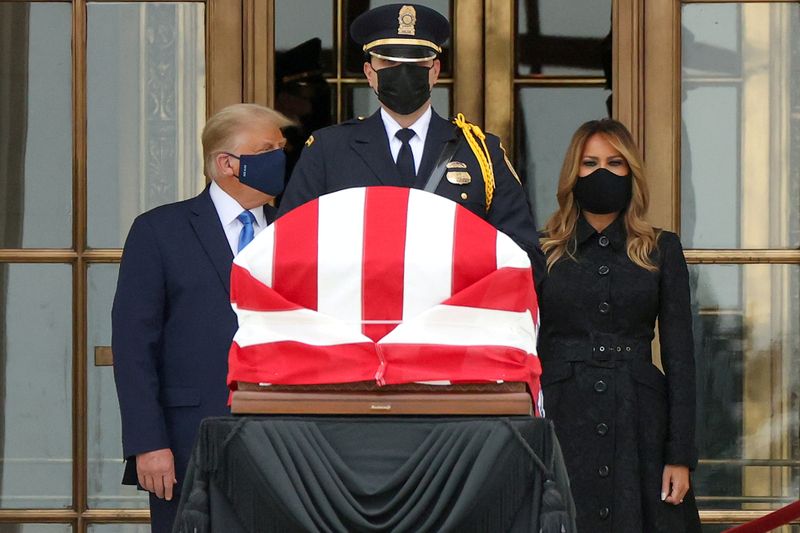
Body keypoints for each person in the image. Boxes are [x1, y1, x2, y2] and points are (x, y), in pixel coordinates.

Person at [112, 103, 291, 532]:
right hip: (187, 438)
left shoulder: (296, 230)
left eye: (281, 149)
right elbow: (134, 346)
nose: (280, 160)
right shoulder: (159, 231)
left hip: (286, 441)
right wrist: (148, 443)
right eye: (267, 149)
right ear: (226, 163)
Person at [278, 3, 543, 276]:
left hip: (452, 313)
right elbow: (287, 249)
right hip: (355, 313)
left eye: (416, 63)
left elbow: (523, 256)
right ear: (370, 73)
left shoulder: (480, 153)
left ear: (435, 71)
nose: (403, 71)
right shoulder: (328, 150)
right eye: (389, 62)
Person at [537, 119, 701, 532]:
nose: (601, 172)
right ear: (573, 173)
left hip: (640, 422)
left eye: (615, 162)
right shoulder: (542, 251)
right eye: (589, 163)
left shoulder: (661, 249)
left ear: (632, 172)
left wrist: (679, 456)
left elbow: (681, 357)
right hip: (561, 416)